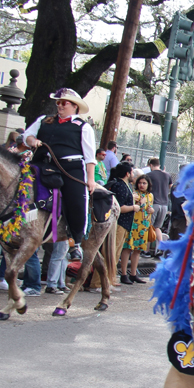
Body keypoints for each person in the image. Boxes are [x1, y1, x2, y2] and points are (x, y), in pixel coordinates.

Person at [23, 88, 97, 245]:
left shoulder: (83, 127)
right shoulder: (44, 120)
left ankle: (75, 241)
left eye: (64, 103)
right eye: (58, 102)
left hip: (70, 168)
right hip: (43, 164)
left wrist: (90, 179)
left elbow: (90, 157)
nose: (60, 106)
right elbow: (26, 136)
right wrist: (32, 141)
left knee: (76, 200)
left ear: (74, 106)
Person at [91, 162, 138, 289]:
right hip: (118, 224)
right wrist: (134, 207)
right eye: (132, 172)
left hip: (124, 224)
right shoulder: (120, 186)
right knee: (109, 253)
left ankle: (108, 281)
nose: (133, 174)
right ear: (127, 173)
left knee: (115, 254)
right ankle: (97, 283)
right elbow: (120, 207)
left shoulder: (124, 185)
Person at [121, 174, 153, 285]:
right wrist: (140, 203)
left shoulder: (150, 196)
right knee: (128, 248)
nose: (142, 185)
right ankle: (124, 274)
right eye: (140, 183)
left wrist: (151, 210)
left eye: (144, 183)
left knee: (138, 250)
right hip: (134, 224)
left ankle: (133, 274)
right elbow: (134, 208)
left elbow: (149, 208)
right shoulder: (134, 195)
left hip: (144, 226)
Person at [143, 157, 170, 249]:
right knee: (157, 227)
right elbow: (170, 186)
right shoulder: (167, 175)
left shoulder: (149, 175)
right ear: (159, 165)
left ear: (151, 165)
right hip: (164, 205)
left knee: (149, 226)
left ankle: (146, 250)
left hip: (154, 204)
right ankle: (160, 249)